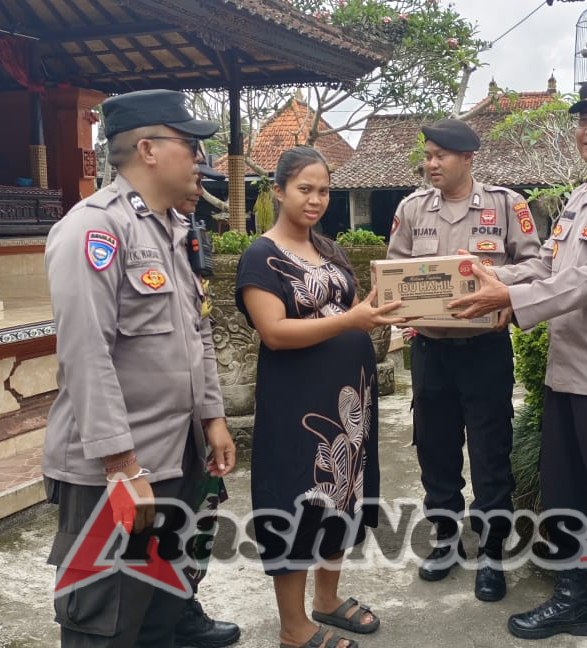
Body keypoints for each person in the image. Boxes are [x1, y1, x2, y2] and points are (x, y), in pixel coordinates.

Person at [449, 79, 587, 648]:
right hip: (566, 375)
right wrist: (494, 275)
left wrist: (510, 300)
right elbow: (548, 266)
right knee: (565, 498)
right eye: (584, 118)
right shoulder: (580, 198)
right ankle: (572, 601)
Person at [43, 88, 237, 648]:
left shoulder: (171, 230)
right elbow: (86, 354)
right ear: (148, 149)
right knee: (104, 619)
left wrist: (213, 417)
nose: (200, 158)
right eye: (191, 145)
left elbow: (195, 331)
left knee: (160, 606)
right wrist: (122, 465)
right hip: (116, 472)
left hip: (175, 457)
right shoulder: (94, 230)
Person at [235, 146, 403, 648]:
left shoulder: (330, 251)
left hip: (348, 400)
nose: (315, 200)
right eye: (305, 189)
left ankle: (327, 600)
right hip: (297, 403)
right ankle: (292, 628)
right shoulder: (260, 256)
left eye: (323, 191)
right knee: (298, 500)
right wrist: (353, 320)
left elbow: (355, 309)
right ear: (278, 190)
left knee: (343, 494)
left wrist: (394, 307)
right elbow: (275, 332)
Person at [385, 118, 540, 602]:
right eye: (427, 155)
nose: (430, 164)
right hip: (430, 350)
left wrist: (496, 281)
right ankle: (445, 539)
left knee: (491, 451)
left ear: (467, 158)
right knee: (435, 448)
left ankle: (492, 552)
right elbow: (394, 271)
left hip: (485, 351)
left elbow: (538, 263)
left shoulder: (506, 205)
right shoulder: (411, 209)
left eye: (440, 156)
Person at [169, 148, 242, 648]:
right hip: (142, 433)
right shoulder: (104, 231)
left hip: (190, 424)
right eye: (193, 167)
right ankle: (157, 618)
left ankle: (182, 608)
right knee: (133, 547)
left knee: (198, 515)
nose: (201, 180)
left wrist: (213, 419)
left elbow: (202, 331)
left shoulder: (184, 234)